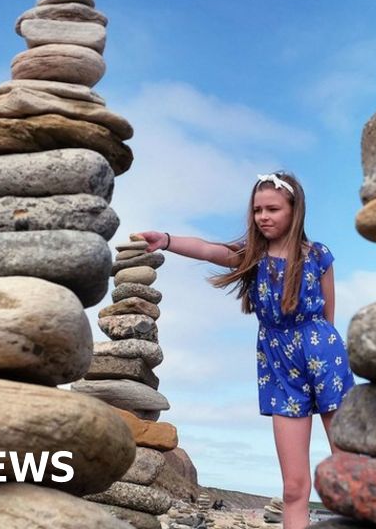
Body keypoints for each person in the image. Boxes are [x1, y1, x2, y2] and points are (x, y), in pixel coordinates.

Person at [137, 171, 355, 529]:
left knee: (350, 468)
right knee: (293, 486)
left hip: (324, 355)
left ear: (294, 210)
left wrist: (332, 358)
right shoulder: (251, 258)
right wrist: (166, 239)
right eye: (257, 210)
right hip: (278, 365)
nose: (264, 217)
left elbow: (328, 319)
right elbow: (207, 249)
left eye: (273, 209)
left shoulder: (318, 256)